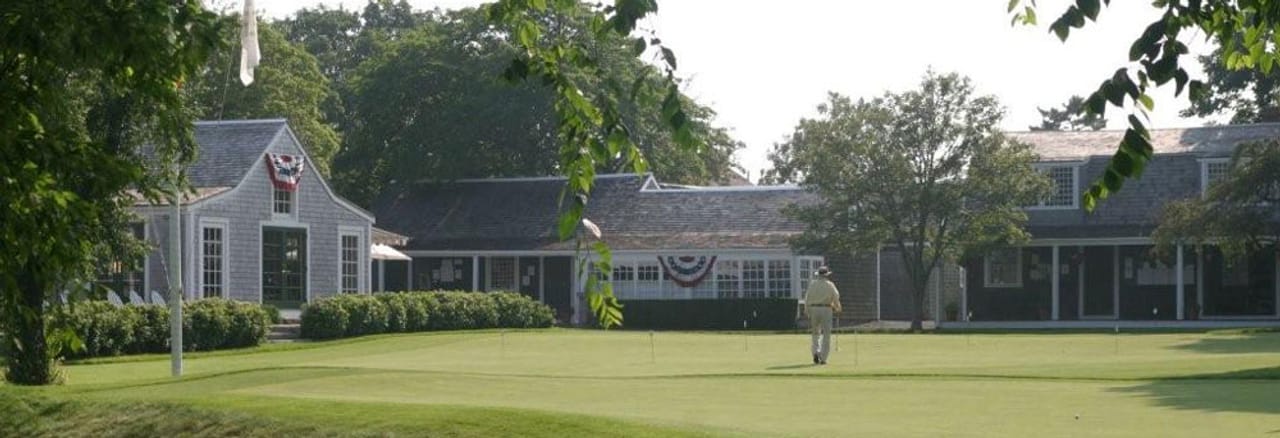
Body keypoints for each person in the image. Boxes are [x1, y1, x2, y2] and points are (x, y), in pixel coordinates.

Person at [803, 266, 841, 365]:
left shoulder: (812, 284)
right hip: (826, 309)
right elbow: (836, 296)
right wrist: (837, 307)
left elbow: (807, 297)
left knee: (815, 333)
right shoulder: (830, 285)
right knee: (826, 334)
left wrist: (806, 310)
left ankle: (815, 352)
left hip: (814, 309)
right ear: (827, 275)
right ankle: (823, 358)